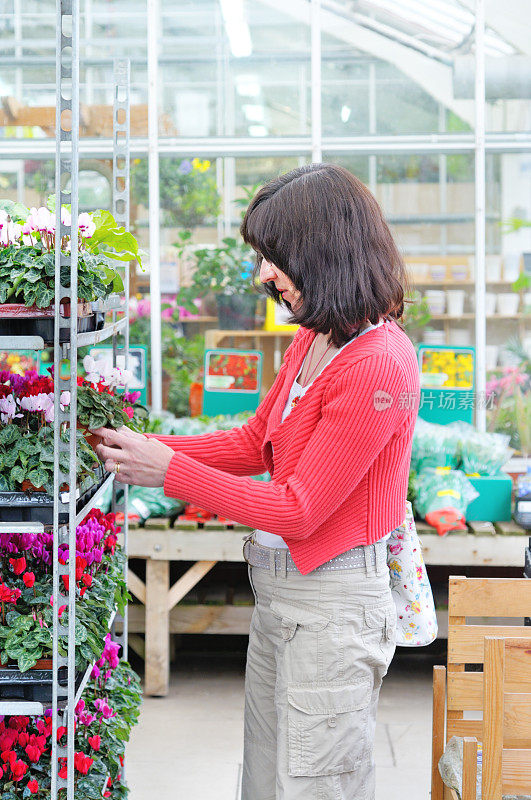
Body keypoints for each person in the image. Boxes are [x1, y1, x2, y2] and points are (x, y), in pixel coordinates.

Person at [94, 163, 420, 800]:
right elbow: (253, 444)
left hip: (331, 605)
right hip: (282, 598)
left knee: (313, 784)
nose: (263, 274)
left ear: (324, 253)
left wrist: (169, 473)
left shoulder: (378, 366)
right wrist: (142, 449)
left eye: (276, 258)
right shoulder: (316, 338)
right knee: (270, 780)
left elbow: (300, 511)